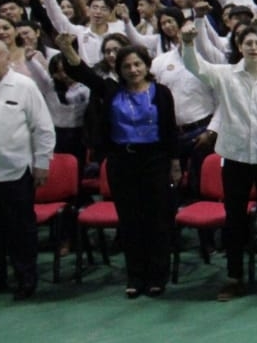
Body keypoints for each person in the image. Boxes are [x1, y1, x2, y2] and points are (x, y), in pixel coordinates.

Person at [59, 36, 177, 298]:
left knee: (156, 220)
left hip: (154, 162)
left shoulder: (162, 93)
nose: (133, 70)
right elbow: (83, 73)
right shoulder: (112, 91)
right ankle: (135, 276)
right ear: (119, 70)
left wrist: (175, 162)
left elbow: (169, 130)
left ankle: (158, 275)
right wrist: (67, 49)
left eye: (138, 64)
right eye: (127, 66)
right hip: (122, 163)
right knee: (130, 220)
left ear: (147, 66)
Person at [181, 22, 257, 300]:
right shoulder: (226, 75)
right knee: (235, 221)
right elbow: (196, 67)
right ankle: (234, 276)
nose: (253, 47)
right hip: (235, 158)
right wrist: (188, 43)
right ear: (239, 47)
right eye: (247, 43)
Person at [0, 38, 55, 300]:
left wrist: (42, 163)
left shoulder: (24, 86)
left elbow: (42, 128)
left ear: (7, 58)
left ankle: (26, 278)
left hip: (15, 171)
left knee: (20, 230)